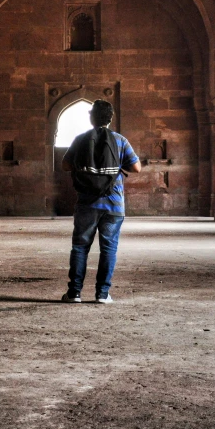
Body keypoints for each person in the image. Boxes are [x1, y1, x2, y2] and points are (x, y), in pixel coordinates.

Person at [61, 99, 141, 304]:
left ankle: (74, 293)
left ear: (92, 118)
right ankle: (102, 294)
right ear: (111, 118)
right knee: (109, 248)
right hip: (113, 204)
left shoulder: (80, 139)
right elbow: (136, 168)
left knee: (80, 247)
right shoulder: (120, 141)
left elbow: (65, 165)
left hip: (87, 203)